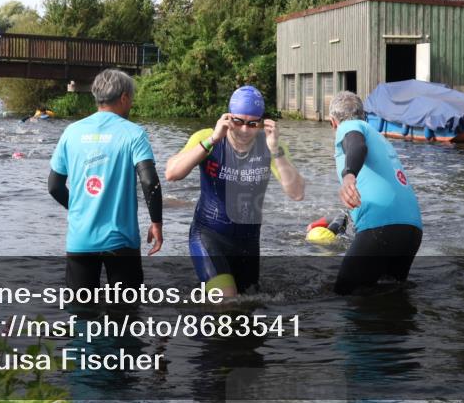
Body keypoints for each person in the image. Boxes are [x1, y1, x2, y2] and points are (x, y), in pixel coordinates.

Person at [165, 85, 305, 297]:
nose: (244, 130)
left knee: (247, 308)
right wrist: (212, 140)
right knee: (226, 302)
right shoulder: (207, 137)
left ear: (262, 122)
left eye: (252, 124)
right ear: (228, 118)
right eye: (238, 121)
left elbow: (297, 193)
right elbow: (171, 173)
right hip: (209, 234)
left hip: (248, 243)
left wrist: (276, 149)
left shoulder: (271, 145)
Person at [48, 69, 163, 292]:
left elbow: (54, 186)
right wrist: (156, 223)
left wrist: (78, 209)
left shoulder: (72, 132)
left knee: (81, 313)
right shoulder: (134, 134)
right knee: (126, 314)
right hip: (122, 241)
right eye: (131, 99)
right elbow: (150, 181)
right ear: (124, 98)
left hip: (80, 240)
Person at [328, 91, 423, 295]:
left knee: (343, 294)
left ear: (333, 122)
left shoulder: (349, 126)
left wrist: (349, 176)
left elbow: (356, 145)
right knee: (389, 296)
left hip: (382, 226)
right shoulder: (380, 138)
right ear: (365, 115)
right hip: (411, 229)